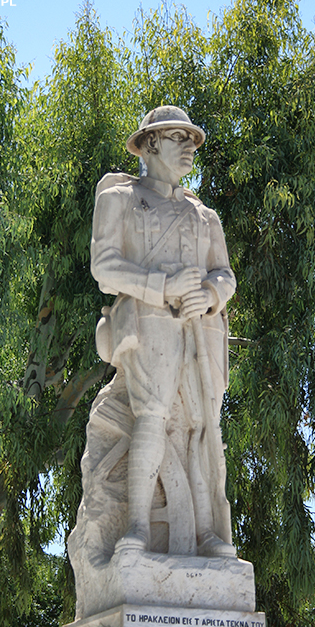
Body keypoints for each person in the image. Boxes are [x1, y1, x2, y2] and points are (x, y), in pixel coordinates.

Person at [90, 105, 236, 558]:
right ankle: (135, 528)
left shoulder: (204, 215)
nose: (190, 147)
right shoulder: (119, 198)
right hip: (149, 320)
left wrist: (210, 295)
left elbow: (225, 274)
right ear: (149, 144)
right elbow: (105, 267)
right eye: (177, 138)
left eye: (192, 139)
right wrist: (162, 286)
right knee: (151, 418)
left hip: (199, 331)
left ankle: (206, 532)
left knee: (198, 427)